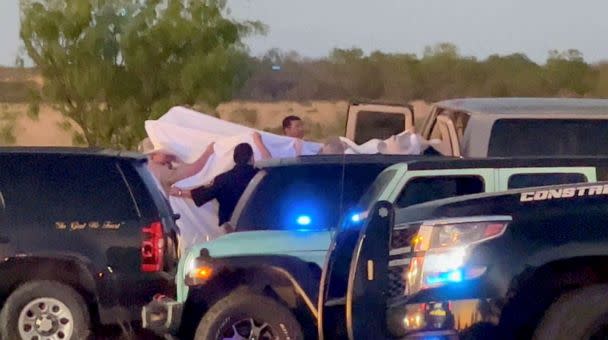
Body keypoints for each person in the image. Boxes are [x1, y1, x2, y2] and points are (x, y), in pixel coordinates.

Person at [169, 143, 258, 231]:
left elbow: (202, 195)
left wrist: (179, 192)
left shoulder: (222, 179)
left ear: (235, 159)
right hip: (258, 224)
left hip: (233, 228)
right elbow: (270, 162)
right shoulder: (259, 175)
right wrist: (258, 141)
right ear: (252, 158)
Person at [140, 138, 215, 195]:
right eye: (160, 150)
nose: (165, 151)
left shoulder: (151, 166)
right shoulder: (160, 172)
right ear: (152, 156)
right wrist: (208, 153)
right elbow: (191, 170)